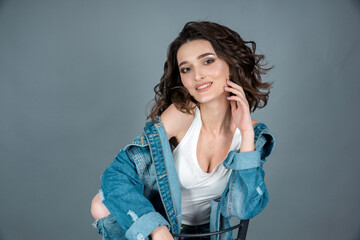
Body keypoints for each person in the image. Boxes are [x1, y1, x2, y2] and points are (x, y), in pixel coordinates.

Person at [90, 21, 275, 240]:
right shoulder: (182, 115)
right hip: (165, 230)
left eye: (207, 61)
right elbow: (117, 174)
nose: (198, 76)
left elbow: (246, 209)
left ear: (231, 64)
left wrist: (245, 134)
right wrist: (157, 230)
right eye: (186, 69)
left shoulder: (254, 135)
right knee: (101, 204)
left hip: (212, 233)